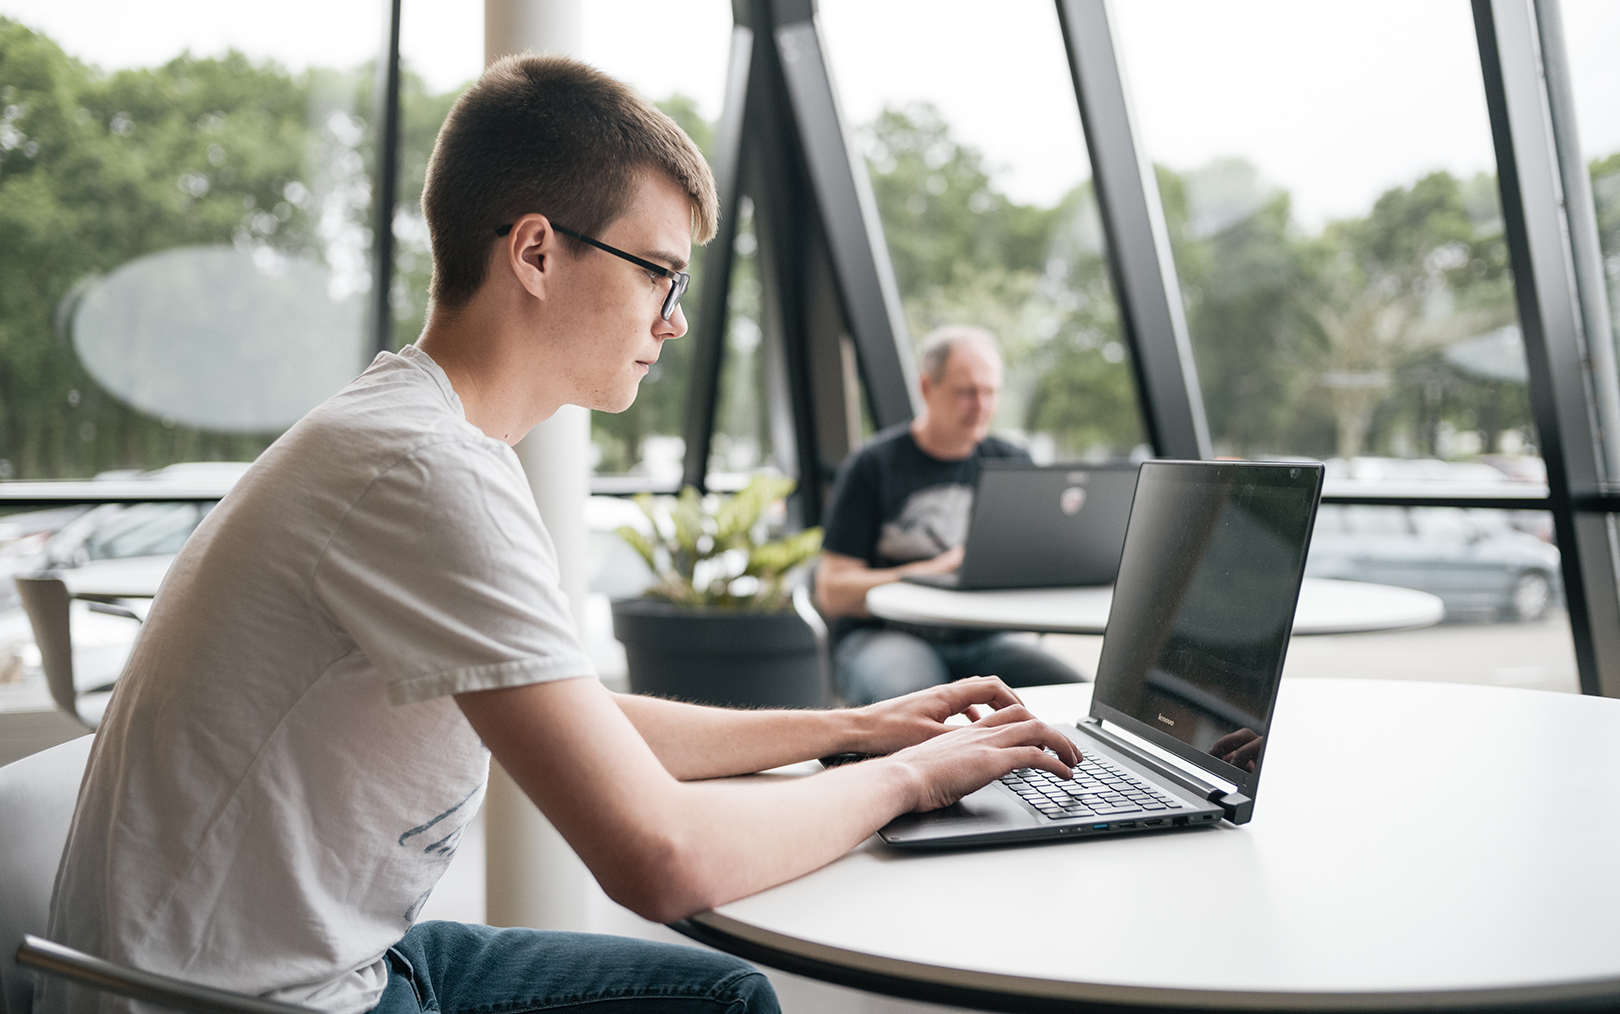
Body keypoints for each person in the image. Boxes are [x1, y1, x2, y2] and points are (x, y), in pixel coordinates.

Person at [39, 56, 1083, 1014]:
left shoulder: (422, 435)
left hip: (337, 960)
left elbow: (579, 715)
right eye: (656, 274)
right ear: (536, 252)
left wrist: (847, 731)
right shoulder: (420, 470)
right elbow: (660, 859)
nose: (674, 320)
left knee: (725, 1001)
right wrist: (917, 777)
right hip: (249, 1003)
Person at [816, 326, 1086, 706]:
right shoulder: (871, 466)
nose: (981, 405)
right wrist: (929, 571)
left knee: (1087, 701)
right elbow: (833, 592)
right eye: (967, 392)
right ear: (927, 389)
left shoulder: (1013, 465)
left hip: (984, 637)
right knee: (916, 710)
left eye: (990, 391)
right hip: (886, 635)